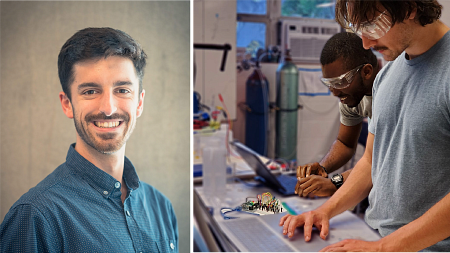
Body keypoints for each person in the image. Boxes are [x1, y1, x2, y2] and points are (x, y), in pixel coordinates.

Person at [280, 0, 450, 252]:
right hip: (376, 236)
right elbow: (371, 160)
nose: (366, 44)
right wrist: (324, 211)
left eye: (372, 26)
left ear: (410, 7)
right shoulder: (387, 75)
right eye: (360, 30)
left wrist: (384, 247)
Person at [0, 27, 178, 252]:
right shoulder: (35, 217)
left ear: (139, 102)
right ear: (67, 103)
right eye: (91, 91)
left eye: (122, 90)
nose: (108, 109)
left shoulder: (161, 207)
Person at [295, 32, 378, 198]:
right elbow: (345, 143)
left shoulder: (390, 96)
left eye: (340, 82)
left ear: (367, 72)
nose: (335, 92)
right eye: (330, 84)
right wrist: (322, 169)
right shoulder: (352, 96)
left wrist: (335, 183)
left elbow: (381, 162)